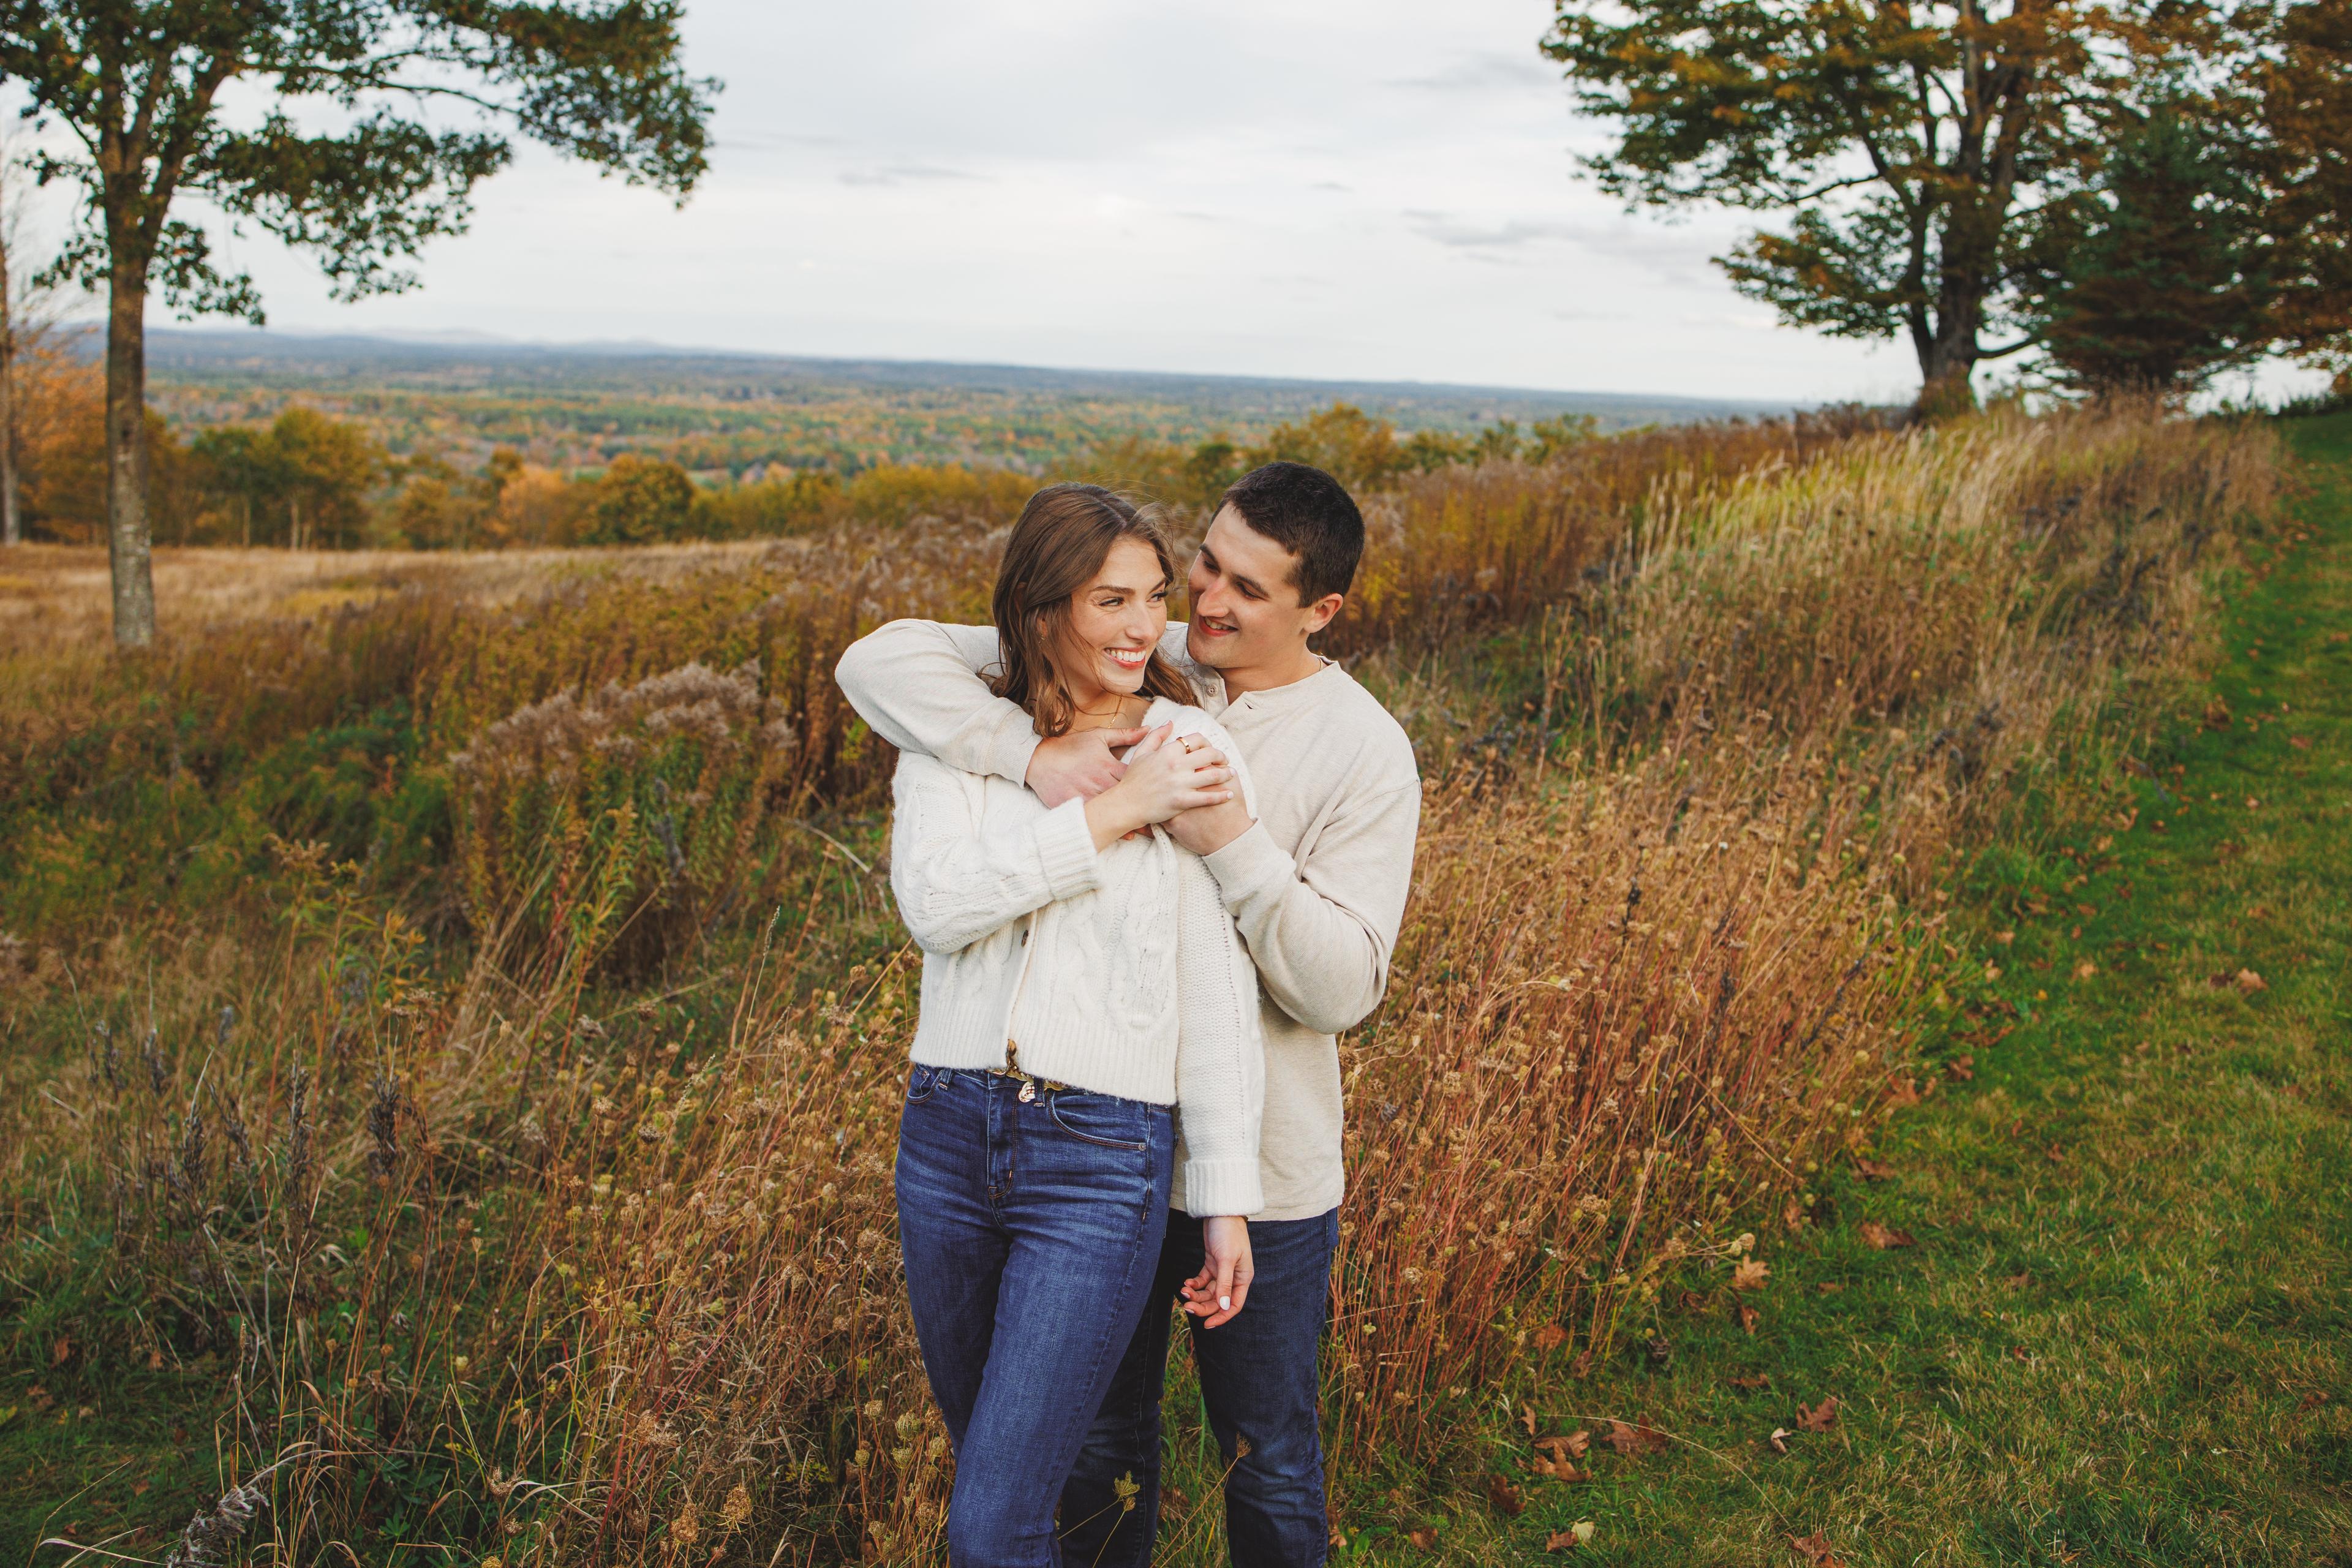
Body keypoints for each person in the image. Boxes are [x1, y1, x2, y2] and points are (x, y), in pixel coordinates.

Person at [837, 461, 1420, 1567]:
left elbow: (1339, 989)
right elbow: (880, 662)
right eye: (1198, 566)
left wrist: (1228, 846)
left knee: (1266, 1450)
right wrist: (1038, 756)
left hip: (1259, 1159)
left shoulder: (1353, 748)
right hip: (1080, 1143)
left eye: (1242, 590)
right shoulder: (1110, 672)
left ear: (1320, 610)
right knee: (1101, 1447)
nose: (1199, 605)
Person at [876, 482, 1270, 1568]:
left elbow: (1214, 991)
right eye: (1111, 600)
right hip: (947, 1138)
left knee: (991, 1526)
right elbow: (940, 908)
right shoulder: (961, 740)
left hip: (1100, 1160)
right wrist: (1105, 816)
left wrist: (1227, 1201)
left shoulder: (1188, 750)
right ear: (1044, 608)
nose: (1147, 626)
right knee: (1002, 1491)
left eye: (1153, 597)